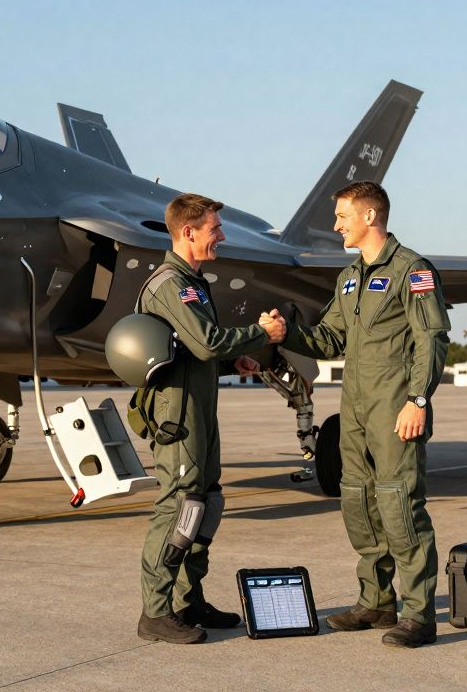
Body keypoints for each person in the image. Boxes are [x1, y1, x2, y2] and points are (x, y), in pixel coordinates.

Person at [277, 180, 450, 648]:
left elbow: (431, 339)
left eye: (342, 217)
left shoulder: (412, 270)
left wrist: (418, 399)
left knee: (400, 505)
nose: (336, 225)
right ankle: (375, 602)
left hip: (395, 408)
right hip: (353, 408)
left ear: (370, 217)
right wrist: (283, 333)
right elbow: (329, 339)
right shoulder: (349, 277)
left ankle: (418, 615)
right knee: (358, 501)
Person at [135, 192, 286, 644]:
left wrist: (230, 363)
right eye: (214, 228)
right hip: (179, 417)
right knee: (179, 507)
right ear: (188, 232)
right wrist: (262, 334)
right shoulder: (171, 284)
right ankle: (155, 612)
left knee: (206, 504)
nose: (221, 235)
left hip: (201, 410)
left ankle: (187, 599)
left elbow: (192, 352)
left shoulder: (195, 283)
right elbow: (205, 341)